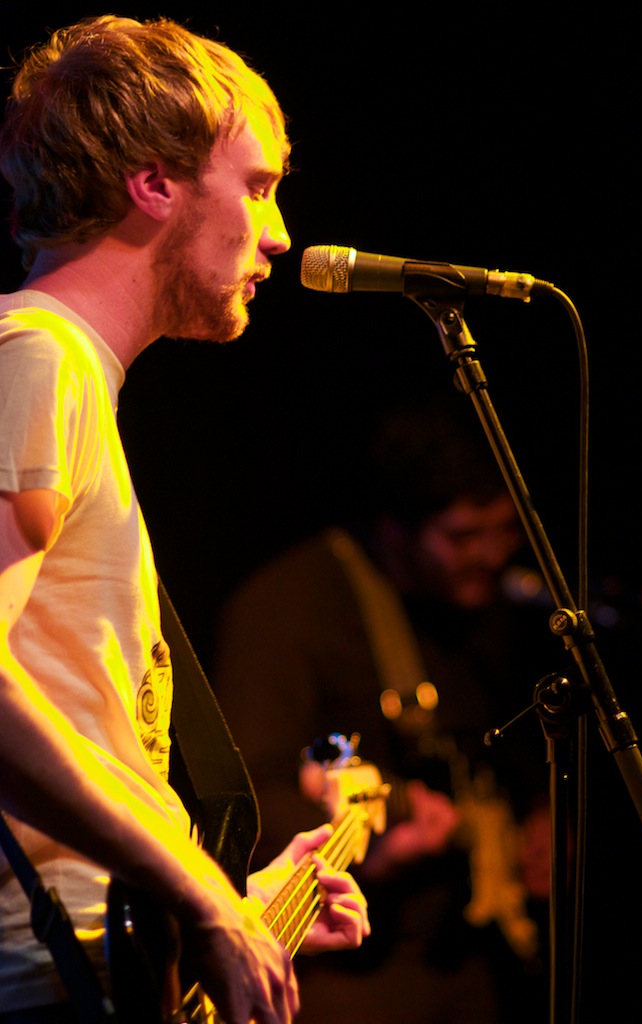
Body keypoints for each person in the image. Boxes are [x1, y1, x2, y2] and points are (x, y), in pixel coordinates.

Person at [0, 15, 370, 1023]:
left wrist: (238, 899)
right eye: (256, 185)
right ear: (154, 183)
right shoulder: (35, 357)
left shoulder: (67, 376)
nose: (280, 230)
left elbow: (77, 717)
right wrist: (197, 888)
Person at [211, 394, 560, 1024]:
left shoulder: (490, 605)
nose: (490, 555)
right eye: (462, 536)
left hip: (477, 960)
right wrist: (374, 849)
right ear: (393, 528)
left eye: (504, 530)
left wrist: (542, 814)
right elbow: (245, 799)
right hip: (355, 978)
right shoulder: (286, 612)